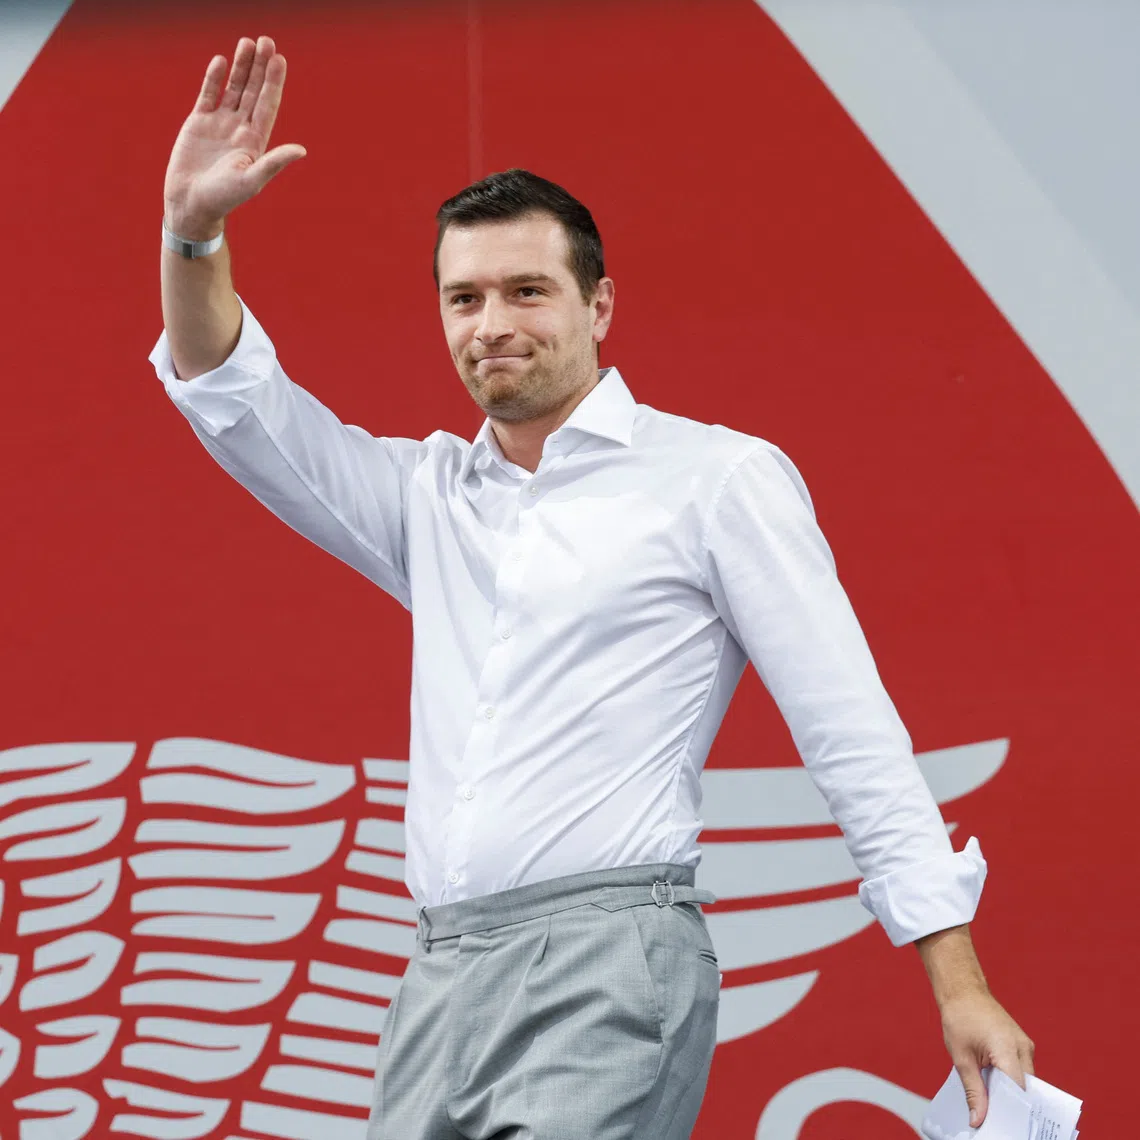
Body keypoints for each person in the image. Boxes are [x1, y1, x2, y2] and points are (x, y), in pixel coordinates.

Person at [152, 33, 1035, 1140]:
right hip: (437, 973)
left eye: (528, 291)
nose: (493, 327)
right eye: (464, 299)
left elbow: (848, 730)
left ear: (600, 305)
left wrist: (956, 978)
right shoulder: (427, 496)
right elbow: (234, 400)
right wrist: (193, 232)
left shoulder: (715, 478)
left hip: (613, 961)